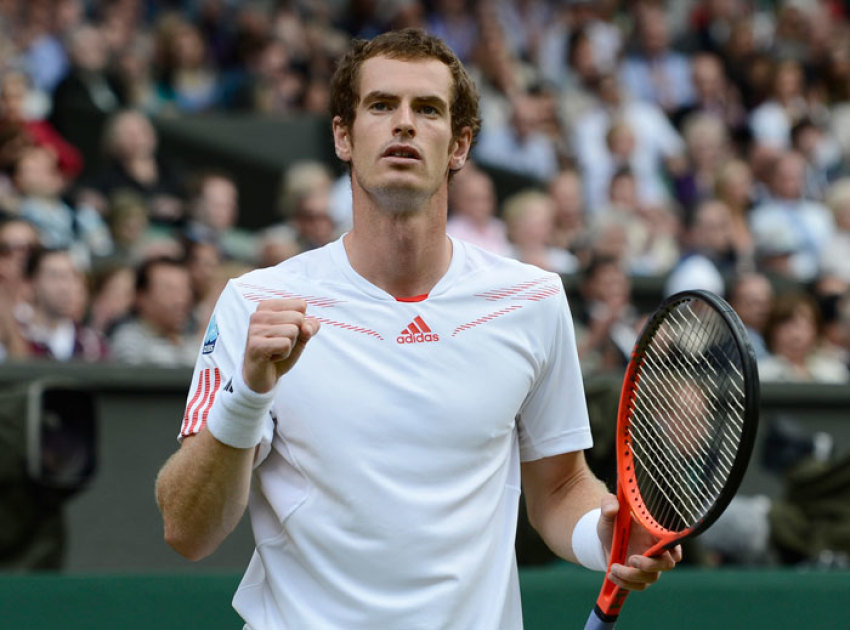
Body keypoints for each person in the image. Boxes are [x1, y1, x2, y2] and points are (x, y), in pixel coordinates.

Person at [154, 29, 679, 629]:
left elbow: (559, 491)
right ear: (343, 136)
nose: (403, 124)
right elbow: (186, 531)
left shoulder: (533, 300)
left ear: (459, 145)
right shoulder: (256, 303)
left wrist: (603, 537)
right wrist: (246, 395)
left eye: (427, 109)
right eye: (381, 105)